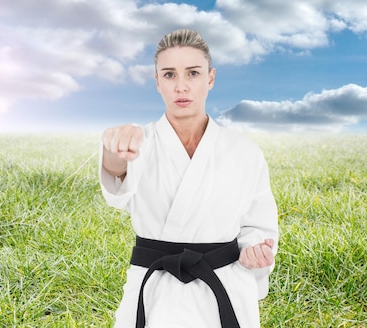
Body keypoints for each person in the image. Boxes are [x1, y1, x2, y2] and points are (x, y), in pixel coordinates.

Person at [99, 29, 279, 328]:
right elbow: (117, 172)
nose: (181, 86)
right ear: (157, 82)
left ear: (210, 78)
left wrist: (254, 251)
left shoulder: (244, 151)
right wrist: (114, 147)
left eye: (192, 73)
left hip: (223, 286)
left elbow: (258, 225)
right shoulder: (137, 141)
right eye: (169, 75)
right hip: (154, 284)